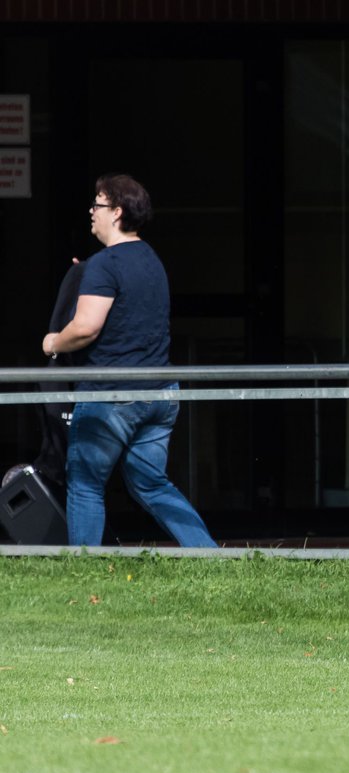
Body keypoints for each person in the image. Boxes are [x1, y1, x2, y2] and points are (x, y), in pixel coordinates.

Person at [41, 174, 216, 548]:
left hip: (111, 395)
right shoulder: (151, 259)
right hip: (160, 394)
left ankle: (84, 573)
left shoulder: (106, 265)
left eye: (98, 204)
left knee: (85, 483)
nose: (91, 211)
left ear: (117, 212)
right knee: (149, 481)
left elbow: (86, 328)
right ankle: (210, 556)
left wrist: (54, 341)